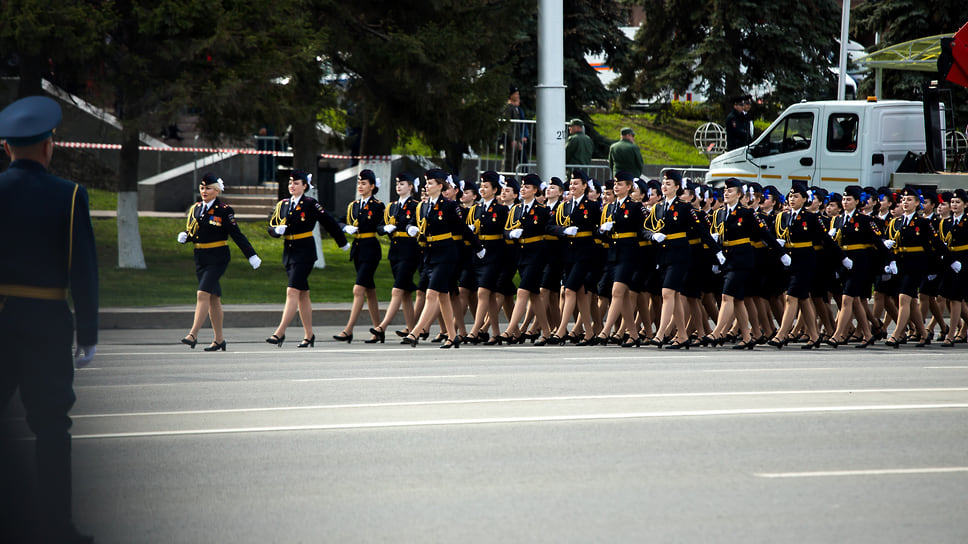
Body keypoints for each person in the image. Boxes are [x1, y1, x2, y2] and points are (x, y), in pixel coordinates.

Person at [0, 95, 97, 543]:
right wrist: (89, 334)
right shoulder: (69, 195)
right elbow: (83, 271)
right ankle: (58, 528)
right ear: (48, 147)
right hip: (45, 324)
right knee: (53, 428)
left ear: (6, 148)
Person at [177, 172, 262, 351]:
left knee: (202, 294)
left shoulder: (224, 210)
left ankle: (193, 334)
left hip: (218, 256)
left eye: (208, 188)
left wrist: (251, 255)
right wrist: (187, 237)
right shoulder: (196, 209)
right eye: (202, 188)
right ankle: (219, 340)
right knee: (213, 298)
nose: (204, 191)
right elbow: (194, 232)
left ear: (216, 190)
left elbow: (236, 234)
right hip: (200, 257)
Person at [265, 169, 349, 348]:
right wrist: (275, 231)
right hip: (289, 251)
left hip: (305, 252)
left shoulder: (311, 204)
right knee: (303, 294)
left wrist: (342, 242)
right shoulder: (283, 204)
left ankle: (279, 332)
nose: (292, 186)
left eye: (296, 183)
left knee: (292, 291)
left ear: (305, 186)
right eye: (290, 183)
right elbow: (271, 226)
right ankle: (309, 335)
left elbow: (329, 222)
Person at [404, 169, 483, 349]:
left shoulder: (448, 205)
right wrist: (410, 228)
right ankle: (453, 336)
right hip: (430, 254)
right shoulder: (422, 206)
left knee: (432, 293)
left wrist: (478, 247)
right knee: (443, 296)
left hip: (447, 254)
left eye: (431, 183)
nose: (427, 186)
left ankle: (415, 332)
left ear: (440, 186)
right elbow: (413, 223)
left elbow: (462, 228)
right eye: (426, 183)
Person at [370, 172, 422, 342]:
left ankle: (382, 327)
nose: (398, 186)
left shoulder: (416, 205)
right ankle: (413, 332)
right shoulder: (391, 206)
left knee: (397, 290)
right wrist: (385, 229)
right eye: (397, 184)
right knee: (406, 293)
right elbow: (378, 226)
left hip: (410, 251)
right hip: (395, 251)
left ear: (411, 187)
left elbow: (418, 224)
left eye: (402, 184)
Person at [335, 169, 386, 343]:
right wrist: (344, 228)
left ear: (372, 186)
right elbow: (339, 220)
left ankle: (348, 330)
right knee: (369, 291)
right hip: (357, 250)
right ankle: (379, 329)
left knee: (358, 290)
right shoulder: (353, 205)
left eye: (364, 183)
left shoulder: (378, 206)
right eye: (359, 183)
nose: (360, 186)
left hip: (371, 250)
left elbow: (382, 225)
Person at [502, 86, 529, 173]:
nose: (518, 95)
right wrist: (512, 139)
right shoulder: (508, 108)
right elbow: (507, 125)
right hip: (511, 141)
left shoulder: (516, 108)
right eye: (516, 94)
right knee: (509, 163)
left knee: (516, 162)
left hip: (517, 140)